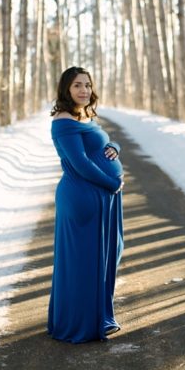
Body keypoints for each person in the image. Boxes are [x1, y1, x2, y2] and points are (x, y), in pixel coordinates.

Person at [48, 66, 125, 343]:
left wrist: (115, 146)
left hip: (102, 197)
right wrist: (111, 183)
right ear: (66, 90)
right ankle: (79, 324)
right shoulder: (63, 120)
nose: (84, 90)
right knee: (83, 263)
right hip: (82, 198)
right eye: (77, 85)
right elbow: (80, 163)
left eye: (87, 85)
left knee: (107, 255)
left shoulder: (85, 115)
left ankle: (97, 317)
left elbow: (102, 142)